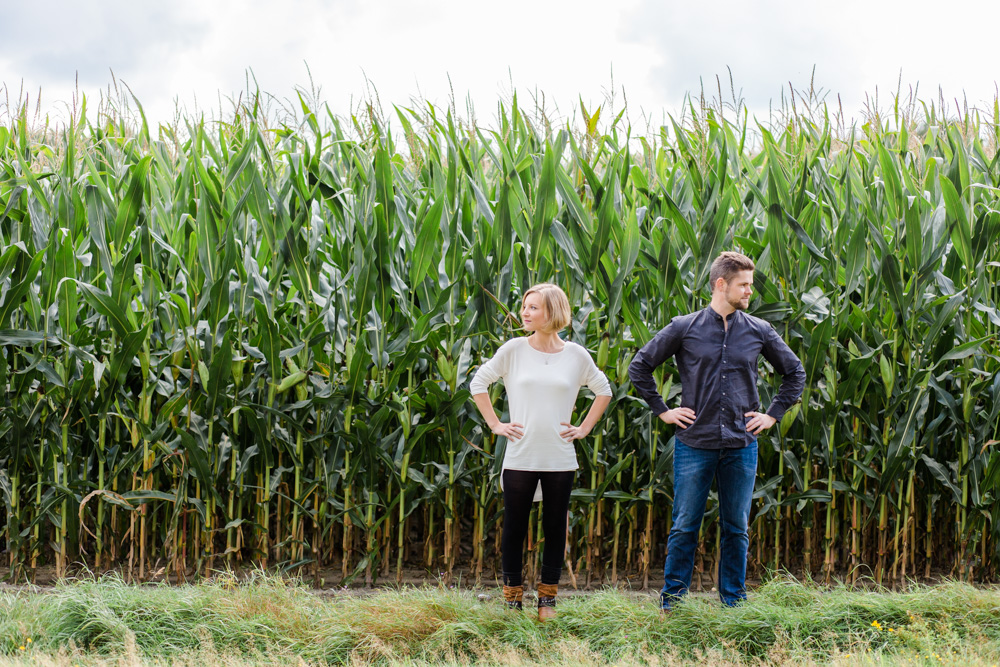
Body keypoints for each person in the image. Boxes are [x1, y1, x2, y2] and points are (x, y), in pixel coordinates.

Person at [627, 252, 805, 611]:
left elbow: (795, 373)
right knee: (685, 525)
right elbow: (640, 366)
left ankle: (733, 604)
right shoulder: (684, 327)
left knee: (736, 527)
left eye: (751, 285)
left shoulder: (759, 330)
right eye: (744, 285)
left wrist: (771, 415)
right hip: (695, 442)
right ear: (721, 284)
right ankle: (671, 605)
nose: (749, 292)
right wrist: (663, 410)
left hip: (741, 444)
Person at [469, 283, 612, 621]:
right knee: (515, 528)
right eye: (525, 306)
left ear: (553, 312)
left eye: (533, 307)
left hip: (560, 456)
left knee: (554, 528)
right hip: (520, 453)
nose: (525, 312)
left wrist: (584, 428)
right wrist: (495, 425)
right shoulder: (514, 349)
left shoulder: (576, 355)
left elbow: (603, 390)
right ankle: (512, 600)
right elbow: (478, 383)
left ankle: (547, 600)